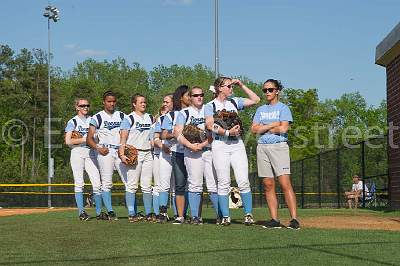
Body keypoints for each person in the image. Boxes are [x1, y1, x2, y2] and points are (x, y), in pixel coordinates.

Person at [205, 77, 260, 226]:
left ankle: (248, 214)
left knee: (243, 180)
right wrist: (228, 132)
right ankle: (225, 217)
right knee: (223, 182)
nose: (231, 88)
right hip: (220, 145)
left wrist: (241, 84)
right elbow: (210, 125)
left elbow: (256, 100)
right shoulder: (210, 106)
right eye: (228, 86)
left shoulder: (234, 102)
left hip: (237, 145)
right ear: (219, 88)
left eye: (232, 86)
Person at [251, 79, 300, 230]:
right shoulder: (260, 110)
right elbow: (253, 130)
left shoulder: (283, 108)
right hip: (262, 147)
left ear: (277, 91)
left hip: (279, 147)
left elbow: (284, 129)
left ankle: (294, 220)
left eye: (270, 90)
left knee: (285, 183)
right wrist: (273, 125)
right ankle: (274, 219)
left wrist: (264, 127)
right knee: (268, 184)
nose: (267, 92)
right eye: (265, 90)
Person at [174, 86, 220, 225]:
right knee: (195, 184)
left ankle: (221, 216)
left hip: (208, 149)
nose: (199, 97)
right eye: (195, 95)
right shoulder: (184, 113)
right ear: (190, 98)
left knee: (213, 185)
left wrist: (202, 144)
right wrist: (190, 145)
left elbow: (213, 131)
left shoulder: (208, 109)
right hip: (191, 152)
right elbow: (177, 133)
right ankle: (195, 217)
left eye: (201, 94)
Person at [87, 90, 127, 221]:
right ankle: (110, 211)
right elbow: (89, 139)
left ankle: (132, 211)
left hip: (119, 150)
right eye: (109, 101)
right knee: (107, 182)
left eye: (114, 101)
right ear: (104, 102)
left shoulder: (121, 116)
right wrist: (98, 148)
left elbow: (128, 131)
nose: (112, 103)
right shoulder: (97, 117)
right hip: (106, 151)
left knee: (128, 180)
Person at [64, 98, 102, 221]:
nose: (85, 107)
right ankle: (81, 212)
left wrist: (94, 139)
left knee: (97, 183)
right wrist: (85, 139)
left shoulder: (93, 120)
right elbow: (68, 141)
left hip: (91, 152)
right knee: (79, 183)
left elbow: (97, 138)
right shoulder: (73, 121)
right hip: (77, 152)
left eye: (87, 105)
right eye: (82, 105)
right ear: (77, 107)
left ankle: (99, 212)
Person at [119, 93, 155, 222]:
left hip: (148, 153)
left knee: (146, 185)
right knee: (132, 185)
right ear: (134, 104)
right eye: (141, 102)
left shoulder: (150, 117)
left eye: (144, 102)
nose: (144, 104)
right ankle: (131, 213)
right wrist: (122, 154)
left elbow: (152, 135)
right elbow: (123, 138)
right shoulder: (129, 118)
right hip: (134, 153)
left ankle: (148, 213)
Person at [161, 85, 191, 224]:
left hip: (195, 152)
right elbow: (164, 134)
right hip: (178, 151)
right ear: (181, 98)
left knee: (194, 184)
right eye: (188, 95)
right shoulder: (171, 115)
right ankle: (180, 215)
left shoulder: (196, 112)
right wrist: (176, 133)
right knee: (179, 184)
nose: (191, 98)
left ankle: (195, 215)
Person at [154, 94, 175, 223]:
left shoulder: (181, 115)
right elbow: (156, 138)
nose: (165, 104)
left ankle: (179, 213)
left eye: (167, 102)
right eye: (164, 102)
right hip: (166, 153)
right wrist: (162, 146)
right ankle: (163, 212)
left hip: (181, 152)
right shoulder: (161, 119)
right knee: (164, 184)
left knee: (178, 185)